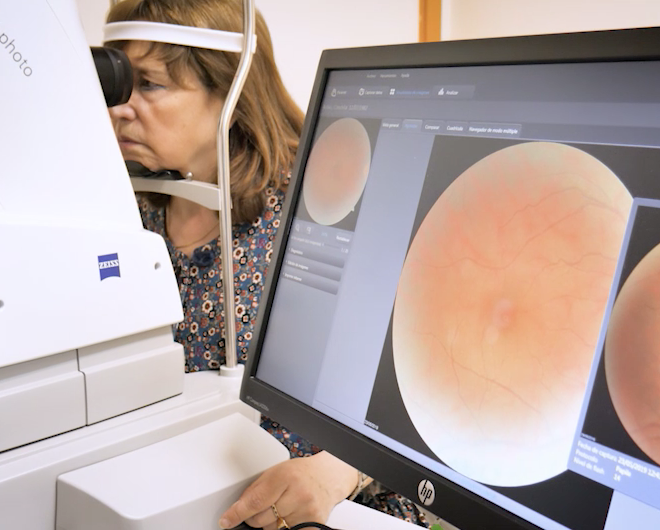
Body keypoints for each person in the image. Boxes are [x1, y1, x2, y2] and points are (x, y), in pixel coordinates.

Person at [105, 1, 428, 528]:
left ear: (228, 88)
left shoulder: (323, 206)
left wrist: (333, 474)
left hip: (327, 506)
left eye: (150, 84)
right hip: (184, 491)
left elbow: (405, 394)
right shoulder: (132, 211)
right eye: (118, 86)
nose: (121, 108)